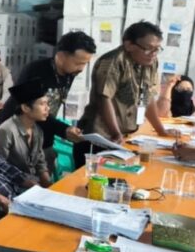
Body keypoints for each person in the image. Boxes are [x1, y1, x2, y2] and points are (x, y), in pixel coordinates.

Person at [75, 21, 177, 167]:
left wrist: (161, 131)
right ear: (129, 45)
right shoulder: (112, 62)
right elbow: (105, 99)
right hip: (100, 137)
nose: (153, 54)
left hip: (123, 137)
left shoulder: (151, 62)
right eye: (148, 49)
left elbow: (148, 97)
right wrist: (116, 133)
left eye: (157, 49)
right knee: (94, 177)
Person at [0, 31, 96, 172]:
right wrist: (64, 130)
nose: (81, 68)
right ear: (61, 56)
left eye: (85, 63)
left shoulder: (69, 73)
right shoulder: (34, 71)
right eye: (78, 63)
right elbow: (28, 112)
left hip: (43, 137)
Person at [0, 79, 52, 188]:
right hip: (10, 186)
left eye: (47, 103)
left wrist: (48, 185)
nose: (48, 108)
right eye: (42, 104)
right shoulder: (6, 131)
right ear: (25, 108)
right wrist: (26, 183)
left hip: (32, 184)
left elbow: (40, 163)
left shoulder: (37, 130)